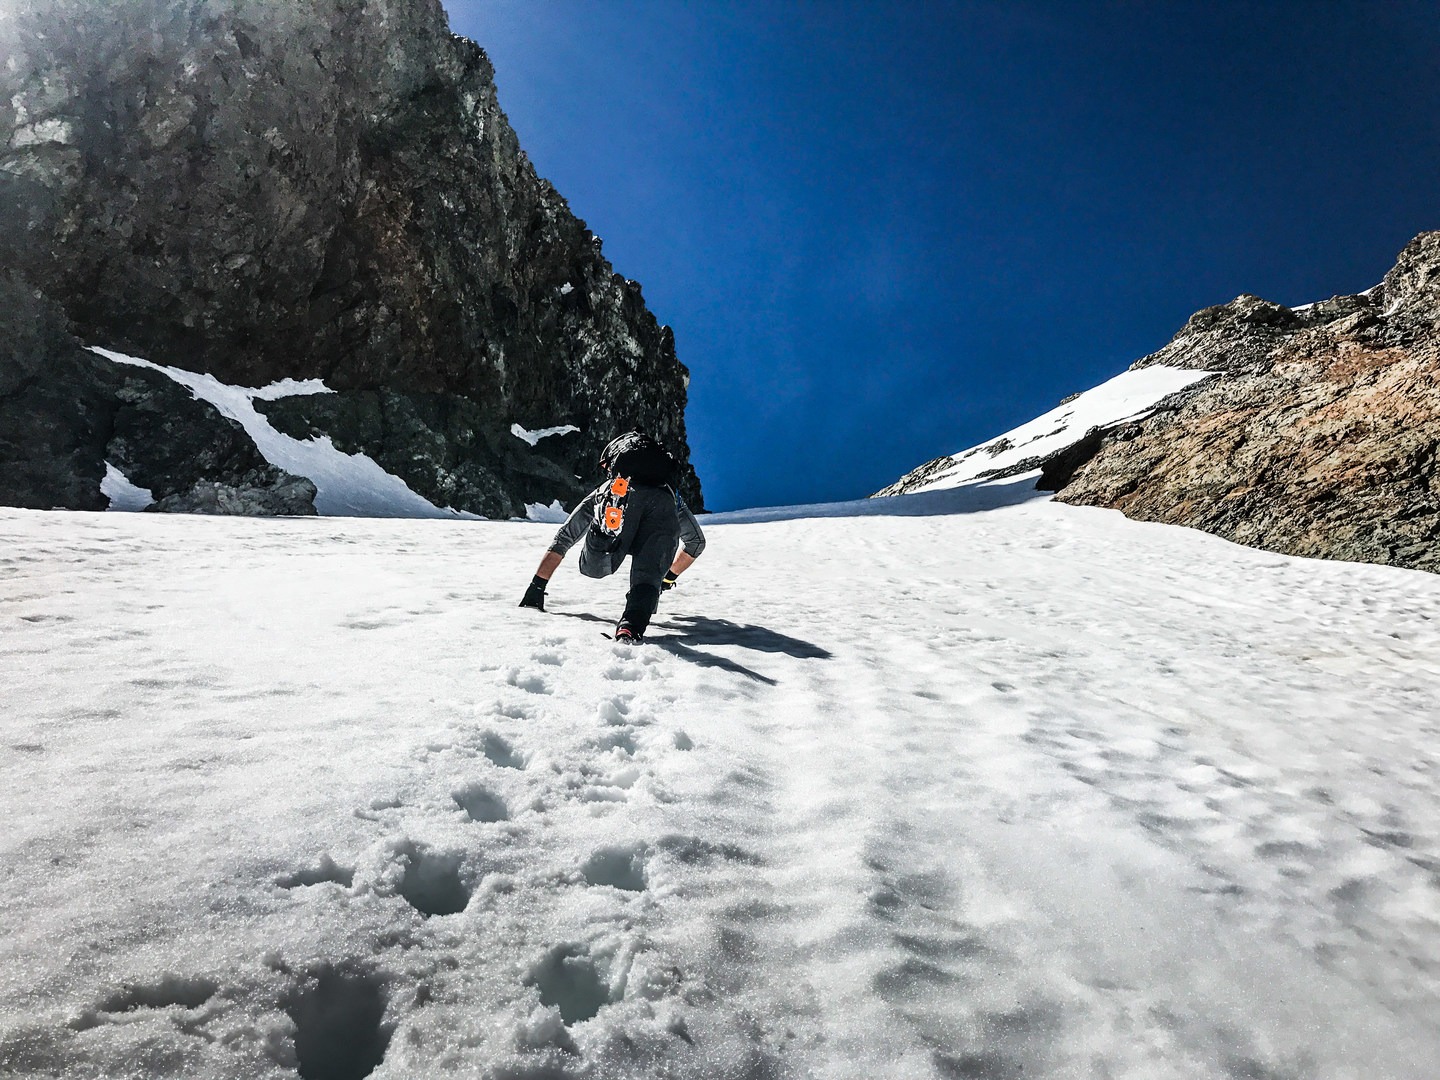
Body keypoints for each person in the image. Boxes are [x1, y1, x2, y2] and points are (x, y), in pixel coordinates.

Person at [518, 432, 705, 643]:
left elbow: (565, 537)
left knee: (595, 568)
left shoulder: (609, 486)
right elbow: (696, 542)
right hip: (663, 504)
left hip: (621, 498)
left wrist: (537, 587)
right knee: (648, 578)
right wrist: (666, 578)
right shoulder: (671, 492)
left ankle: (602, 531)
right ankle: (629, 629)